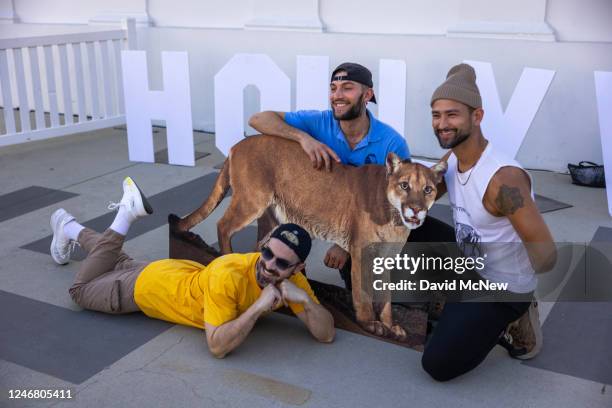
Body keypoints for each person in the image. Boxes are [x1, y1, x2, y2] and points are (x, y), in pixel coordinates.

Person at [50, 177, 335, 358]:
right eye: (267, 253)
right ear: (263, 243)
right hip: (144, 290)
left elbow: (327, 334)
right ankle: (125, 214)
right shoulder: (230, 274)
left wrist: (306, 302)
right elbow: (217, 346)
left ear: (297, 268)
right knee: (80, 290)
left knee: (115, 259)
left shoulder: (294, 282)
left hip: (168, 273)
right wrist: (258, 307)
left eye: (282, 263)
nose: (270, 265)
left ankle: (69, 228)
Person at [421, 63, 557, 381]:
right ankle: (458, 303)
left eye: (452, 114)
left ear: (477, 116)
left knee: (437, 365)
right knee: (407, 225)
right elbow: (421, 196)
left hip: (501, 287)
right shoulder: (453, 159)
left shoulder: (503, 179)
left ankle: (518, 313)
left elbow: (547, 254)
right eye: (436, 115)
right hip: (470, 264)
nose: (442, 124)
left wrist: (515, 282)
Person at [249, 62, 416, 286]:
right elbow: (258, 119)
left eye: (347, 88)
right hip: (315, 207)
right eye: (333, 88)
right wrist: (304, 139)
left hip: (361, 221)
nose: (337, 95)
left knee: (366, 273)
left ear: (367, 94)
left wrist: (344, 244)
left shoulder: (391, 143)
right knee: (277, 226)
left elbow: (398, 203)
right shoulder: (319, 122)